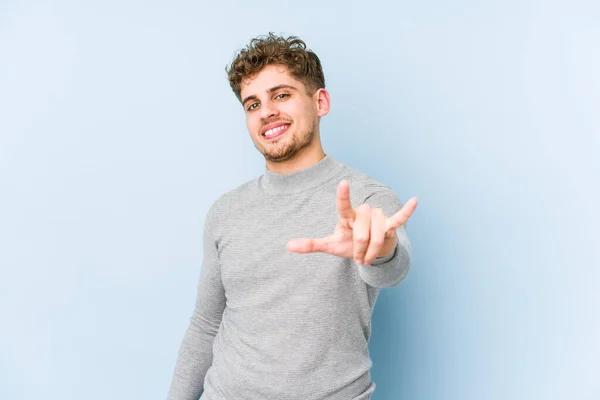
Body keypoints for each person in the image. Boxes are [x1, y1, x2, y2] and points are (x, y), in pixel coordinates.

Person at [167, 33, 418, 400]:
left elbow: (393, 269)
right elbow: (206, 326)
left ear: (320, 102)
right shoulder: (226, 211)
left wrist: (379, 248)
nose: (266, 111)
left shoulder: (367, 198)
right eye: (252, 104)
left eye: (281, 95)